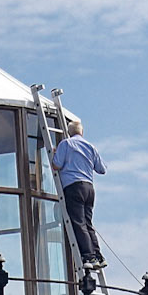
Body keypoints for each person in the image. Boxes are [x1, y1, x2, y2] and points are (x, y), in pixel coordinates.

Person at [52, 114, 107, 272]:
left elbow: (56, 165)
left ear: (69, 132)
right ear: (82, 132)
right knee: (88, 223)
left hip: (73, 186)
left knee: (78, 222)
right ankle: (98, 255)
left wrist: (55, 154)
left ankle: (88, 256)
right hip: (89, 188)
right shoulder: (90, 147)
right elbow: (101, 169)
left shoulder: (66, 144)